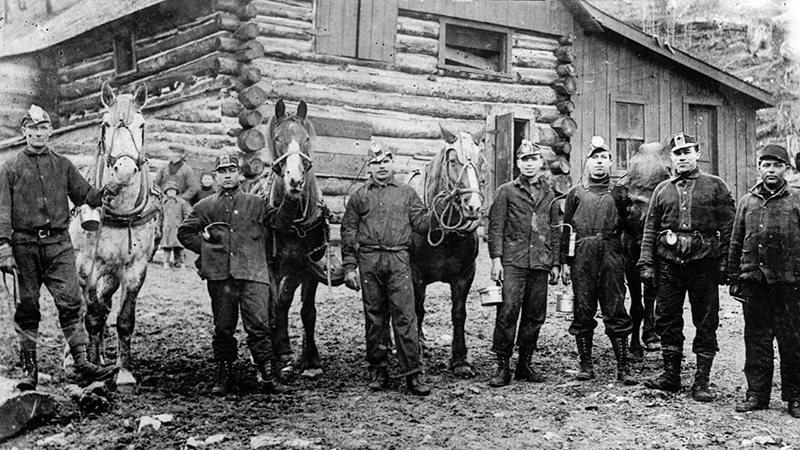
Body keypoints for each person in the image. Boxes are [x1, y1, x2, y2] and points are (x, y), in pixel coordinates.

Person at [0, 105, 120, 390]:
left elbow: (84, 195)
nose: (38, 133)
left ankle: (81, 365)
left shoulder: (63, 164)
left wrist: (104, 191)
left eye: (43, 128)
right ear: (24, 132)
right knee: (27, 308)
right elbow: (2, 211)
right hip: (24, 246)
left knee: (71, 302)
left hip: (58, 245)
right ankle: (30, 370)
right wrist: (4, 248)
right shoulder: (10, 168)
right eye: (33, 128)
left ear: (50, 131)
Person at [177, 153, 289, 396]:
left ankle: (268, 375)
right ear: (216, 176)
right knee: (223, 328)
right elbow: (185, 233)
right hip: (220, 277)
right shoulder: (205, 206)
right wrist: (208, 250)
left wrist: (290, 196)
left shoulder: (256, 203)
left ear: (239, 174)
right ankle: (223, 376)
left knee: (259, 325)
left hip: (252, 274)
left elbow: (279, 221)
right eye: (222, 171)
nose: (227, 175)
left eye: (231, 170)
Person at [637, 132, 735, 402]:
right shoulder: (662, 190)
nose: (682, 157)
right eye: (677, 153)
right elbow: (650, 229)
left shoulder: (715, 186)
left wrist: (726, 264)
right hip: (669, 265)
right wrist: (646, 263)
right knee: (667, 318)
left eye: (687, 151)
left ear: (697, 153)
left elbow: (729, 228)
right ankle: (671, 376)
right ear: (671, 157)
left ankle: (701, 382)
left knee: (706, 321)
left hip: (704, 264)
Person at [341, 141, 432, 396]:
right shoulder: (359, 196)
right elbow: (348, 232)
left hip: (399, 260)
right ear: (369, 167)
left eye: (385, 162)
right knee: (375, 317)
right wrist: (350, 267)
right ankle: (379, 370)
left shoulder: (406, 193)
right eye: (376, 163)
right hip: (369, 261)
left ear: (392, 163)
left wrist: (438, 211)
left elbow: (422, 224)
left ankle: (413, 375)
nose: (381, 167)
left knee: (406, 316)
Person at [728, 144, 800, 418]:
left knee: (792, 340)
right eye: (766, 165)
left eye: (777, 165)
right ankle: (756, 394)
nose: (771, 170)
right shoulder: (748, 201)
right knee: (756, 339)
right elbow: (736, 240)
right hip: (754, 282)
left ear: (786, 169)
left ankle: (795, 397)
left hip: (789, 282)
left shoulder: (796, 200)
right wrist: (735, 278)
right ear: (759, 168)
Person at [560, 137, 635, 385]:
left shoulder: (620, 193)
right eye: (595, 158)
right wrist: (564, 262)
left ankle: (623, 366)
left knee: (615, 307)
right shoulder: (576, 193)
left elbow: (631, 227)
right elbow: (567, 229)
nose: (599, 163)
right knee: (583, 309)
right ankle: (586, 364)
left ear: (611, 162)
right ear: (588, 162)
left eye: (604, 158)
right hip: (582, 254)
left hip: (612, 253)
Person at [487, 140, 560, 388]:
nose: (529, 164)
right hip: (512, 262)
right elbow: (495, 227)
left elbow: (554, 230)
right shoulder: (506, 191)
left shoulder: (549, 194)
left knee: (535, 315)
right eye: (524, 160)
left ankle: (524, 365)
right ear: (518, 163)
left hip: (539, 262)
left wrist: (556, 263)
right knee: (507, 312)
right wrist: (496, 260)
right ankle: (502, 367)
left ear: (541, 163)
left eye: (533, 159)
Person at [160, 181, 192, 269]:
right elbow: (160, 216)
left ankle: (180, 263)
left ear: (176, 192)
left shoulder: (181, 202)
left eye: (173, 191)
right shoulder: (163, 203)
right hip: (167, 229)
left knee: (179, 248)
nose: (171, 193)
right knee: (166, 248)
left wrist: (185, 225)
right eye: (169, 191)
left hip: (178, 228)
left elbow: (187, 215)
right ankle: (166, 263)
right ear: (166, 192)